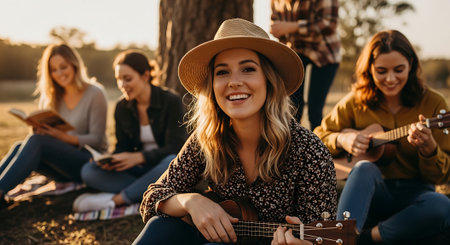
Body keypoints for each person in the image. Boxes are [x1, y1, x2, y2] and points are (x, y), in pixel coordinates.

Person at [133, 18, 337, 245]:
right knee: (160, 226)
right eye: (222, 72)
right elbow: (152, 199)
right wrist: (191, 201)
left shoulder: (308, 150)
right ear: (212, 85)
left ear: (268, 80)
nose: (234, 82)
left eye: (248, 69)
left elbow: (325, 237)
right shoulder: (207, 138)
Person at [314, 30, 450, 244]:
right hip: (372, 191)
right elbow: (318, 136)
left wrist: (429, 149)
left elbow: (441, 177)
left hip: (417, 195)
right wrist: (342, 139)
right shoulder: (355, 102)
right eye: (381, 71)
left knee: (442, 205)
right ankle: (342, 236)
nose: (390, 78)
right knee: (364, 168)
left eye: (399, 70)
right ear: (369, 69)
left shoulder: (434, 104)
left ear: (411, 65)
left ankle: (367, 238)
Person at [72, 50, 187, 212]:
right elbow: (123, 146)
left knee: (172, 161)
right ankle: (147, 191)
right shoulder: (122, 107)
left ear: (145, 76)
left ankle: (117, 200)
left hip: (164, 166)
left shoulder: (170, 101)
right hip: (139, 172)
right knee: (89, 171)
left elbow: (177, 148)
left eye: (128, 79)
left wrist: (140, 157)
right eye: (119, 80)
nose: (122, 85)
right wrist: (111, 161)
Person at [0, 43, 108, 207]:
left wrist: (60, 136)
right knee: (18, 146)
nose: (59, 73)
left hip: (89, 163)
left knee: (36, 141)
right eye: (53, 69)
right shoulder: (53, 97)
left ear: (74, 64)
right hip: (60, 167)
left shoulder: (95, 93)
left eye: (63, 67)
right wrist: (41, 130)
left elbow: (97, 139)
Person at [270, 0, 341, 130]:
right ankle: (293, 145)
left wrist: (293, 26)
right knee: (293, 109)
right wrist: (277, 30)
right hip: (295, 52)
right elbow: (276, 23)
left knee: (315, 110)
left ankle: (318, 145)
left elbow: (329, 24)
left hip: (325, 53)